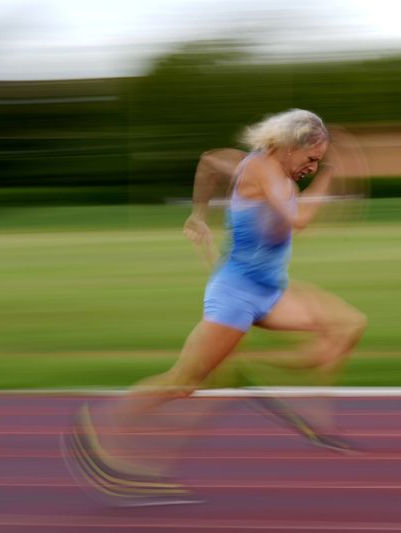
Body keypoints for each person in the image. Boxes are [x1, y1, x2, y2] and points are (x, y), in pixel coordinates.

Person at [62, 109, 367, 506]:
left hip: (271, 292)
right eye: (311, 159)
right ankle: (98, 430)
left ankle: (298, 402)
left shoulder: (260, 165)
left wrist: (198, 215)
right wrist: (332, 175)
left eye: (318, 162)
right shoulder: (261, 169)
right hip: (236, 295)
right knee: (184, 382)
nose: (312, 167)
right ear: (290, 147)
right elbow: (298, 220)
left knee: (346, 325)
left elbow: (208, 161)